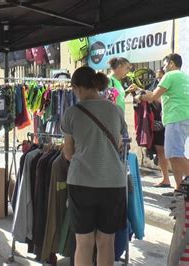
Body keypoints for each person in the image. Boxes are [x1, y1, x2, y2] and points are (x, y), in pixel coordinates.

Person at [61, 66, 127, 266]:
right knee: (106, 242)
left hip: (82, 183)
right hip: (113, 182)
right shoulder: (116, 109)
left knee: (84, 242)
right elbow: (118, 143)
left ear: (77, 88)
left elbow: (68, 153)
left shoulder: (71, 113)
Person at [138, 53, 189, 193]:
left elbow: (154, 96)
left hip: (176, 118)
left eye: (165, 64)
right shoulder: (185, 76)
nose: (163, 67)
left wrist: (139, 95)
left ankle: (184, 183)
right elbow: (161, 99)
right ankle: (179, 188)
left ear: (172, 64)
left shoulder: (170, 75)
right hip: (182, 117)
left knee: (174, 153)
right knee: (174, 155)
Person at [133, 68, 171, 188]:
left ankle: (167, 179)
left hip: (167, 122)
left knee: (168, 153)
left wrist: (150, 96)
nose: (159, 79)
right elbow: (140, 99)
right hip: (155, 124)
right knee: (161, 152)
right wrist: (141, 96)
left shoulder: (168, 88)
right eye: (157, 77)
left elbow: (162, 101)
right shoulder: (154, 86)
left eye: (161, 76)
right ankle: (165, 179)